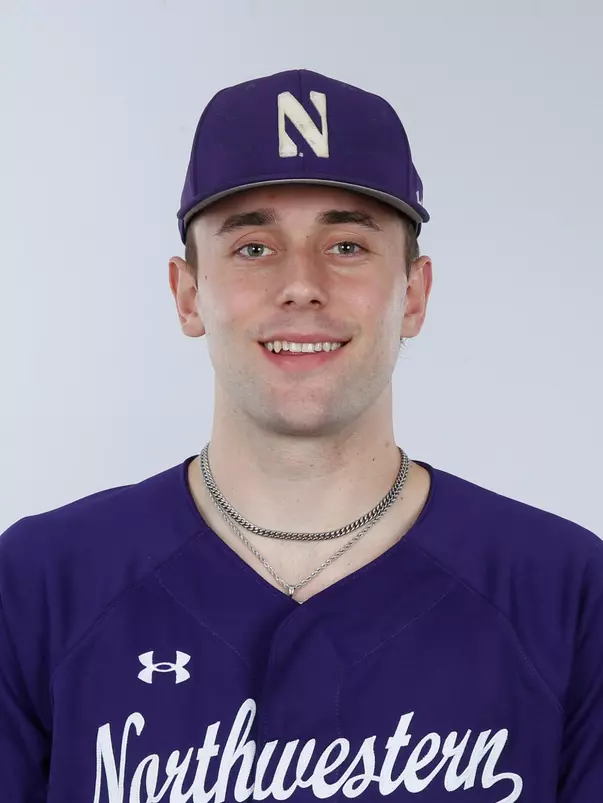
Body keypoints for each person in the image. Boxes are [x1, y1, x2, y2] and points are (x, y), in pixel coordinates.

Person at [0, 69, 601, 803]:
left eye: (347, 245)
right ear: (188, 295)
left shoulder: (565, 591)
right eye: (253, 247)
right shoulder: (38, 584)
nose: (301, 284)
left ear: (413, 294)